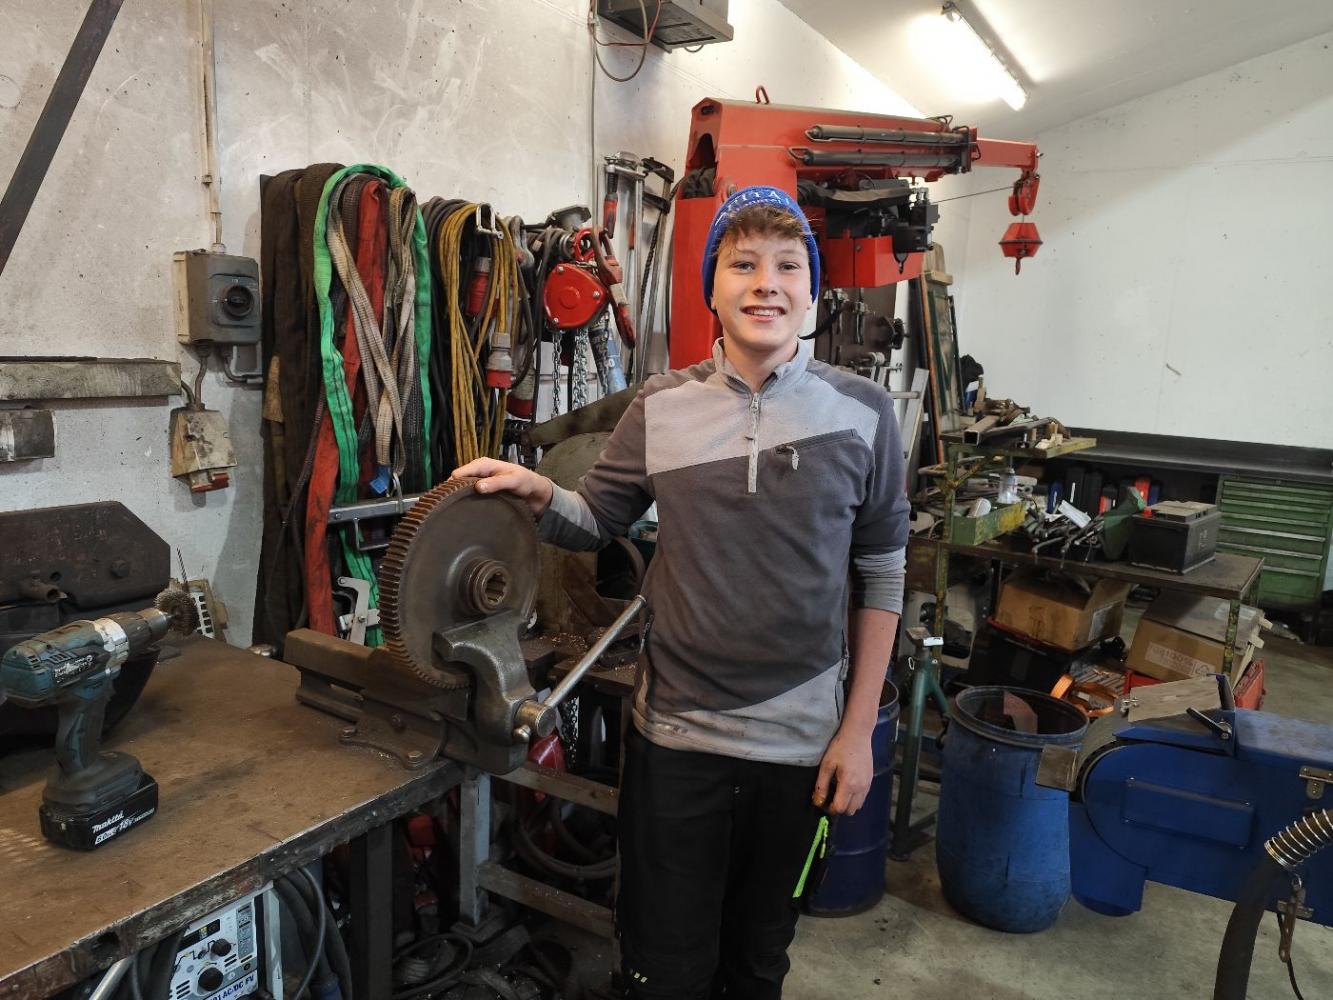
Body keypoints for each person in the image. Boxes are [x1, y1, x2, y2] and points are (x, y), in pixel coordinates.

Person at [454, 185, 909, 999]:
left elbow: (881, 570)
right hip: (675, 741)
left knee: (756, 965)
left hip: (800, 749)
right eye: (743, 264)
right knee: (660, 971)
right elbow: (596, 519)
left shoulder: (865, 413)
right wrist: (537, 492)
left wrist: (856, 732)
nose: (765, 283)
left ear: (811, 290)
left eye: (787, 266)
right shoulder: (661, 405)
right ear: (711, 288)